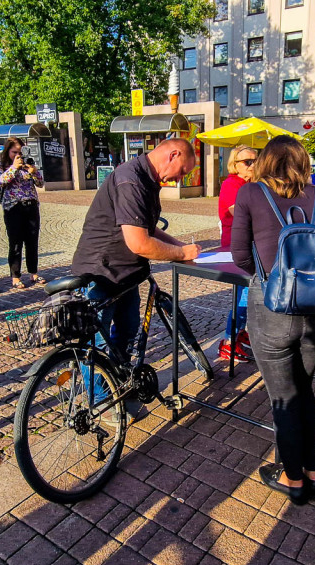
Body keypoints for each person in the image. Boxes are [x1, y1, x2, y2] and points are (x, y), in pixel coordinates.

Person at [229, 135, 315, 505]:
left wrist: (267, 275)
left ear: (264, 162)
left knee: (285, 397)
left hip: (272, 307)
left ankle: (293, 479)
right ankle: (314, 470)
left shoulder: (249, 195)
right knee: (305, 390)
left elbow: (241, 255)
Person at [71, 138, 201, 412]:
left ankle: (117, 387)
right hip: (101, 273)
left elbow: (147, 229)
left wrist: (181, 246)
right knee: (95, 347)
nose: (180, 180)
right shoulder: (131, 180)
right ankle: (103, 406)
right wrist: (180, 254)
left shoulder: (146, 179)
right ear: (173, 155)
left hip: (125, 275)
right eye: (183, 171)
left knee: (126, 333)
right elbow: (140, 244)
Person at [217, 144, 257, 362]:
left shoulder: (251, 184)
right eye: (247, 162)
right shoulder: (233, 184)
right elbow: (241, 214)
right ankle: (229, 342)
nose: (252, 165)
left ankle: (240, 334)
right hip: (237, 244)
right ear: (235, 165)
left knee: (249, 293)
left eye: (255, 160)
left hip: (252, 244)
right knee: (243, 295)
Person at [0, 137, 46, 289]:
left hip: (31, 206)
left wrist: (34, 172)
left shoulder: (27, 165)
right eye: (14, 152)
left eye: (20, 152)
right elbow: (1, 181)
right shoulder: (1, 166)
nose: (17, 155)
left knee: (32, 241)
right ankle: (15, 276)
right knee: (15, 243)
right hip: (13, 207)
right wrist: (14, 167)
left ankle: (34, 272)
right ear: (7, 151)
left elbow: (40, 183)